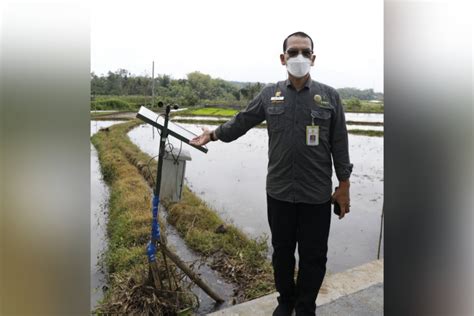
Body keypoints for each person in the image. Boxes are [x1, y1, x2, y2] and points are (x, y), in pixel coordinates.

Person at [190, 31, 353, 316]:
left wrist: (344, 185)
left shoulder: (329, 97)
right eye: (293, 52)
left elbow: (339, 143)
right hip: (279, 192)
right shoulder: (270, 95)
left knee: (314, 256)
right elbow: (242, 121)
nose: (298, 57)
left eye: (304, 52)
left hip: (315, 195)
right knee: (282, 253)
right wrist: (213, 134)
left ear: (313, 59)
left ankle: (305, 307)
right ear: (283, 58)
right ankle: (285, 302)